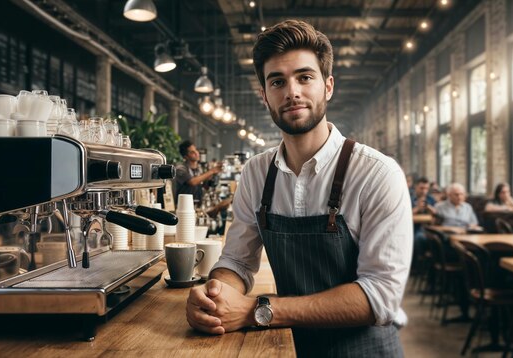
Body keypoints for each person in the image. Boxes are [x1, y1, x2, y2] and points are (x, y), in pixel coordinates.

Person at [185, 20, 412, 357]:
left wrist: (255, 311)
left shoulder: (377, 174)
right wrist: (214, 295)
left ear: (328, 86)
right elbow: (236, 260)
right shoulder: (256, 173)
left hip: (364, 349)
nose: (292, 92)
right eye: (278, 81)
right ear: (264, 96)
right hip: (288, 346)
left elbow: (379, 296)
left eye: (305, 77)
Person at [174, 140, 228, 208]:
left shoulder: (200, 168)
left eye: (196, 150)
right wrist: (212, 171)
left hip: (198, 205)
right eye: (192, 152)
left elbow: (206, 186)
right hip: (184, 206)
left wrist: (214, 174)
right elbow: (192, 182)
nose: (197, 153)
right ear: (185, 156)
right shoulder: (180, 169)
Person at [411, 177, 436, 262]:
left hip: (428, 228)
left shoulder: (431, 199)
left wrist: (429, 207)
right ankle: (419, 262)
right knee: (419, 237)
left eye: (426, 188)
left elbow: (436, 215)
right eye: (421, 188)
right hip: (413, 228)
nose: (424, 191)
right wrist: (417, 208)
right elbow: (405, 215)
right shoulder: (409, 198)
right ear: (416, 187)